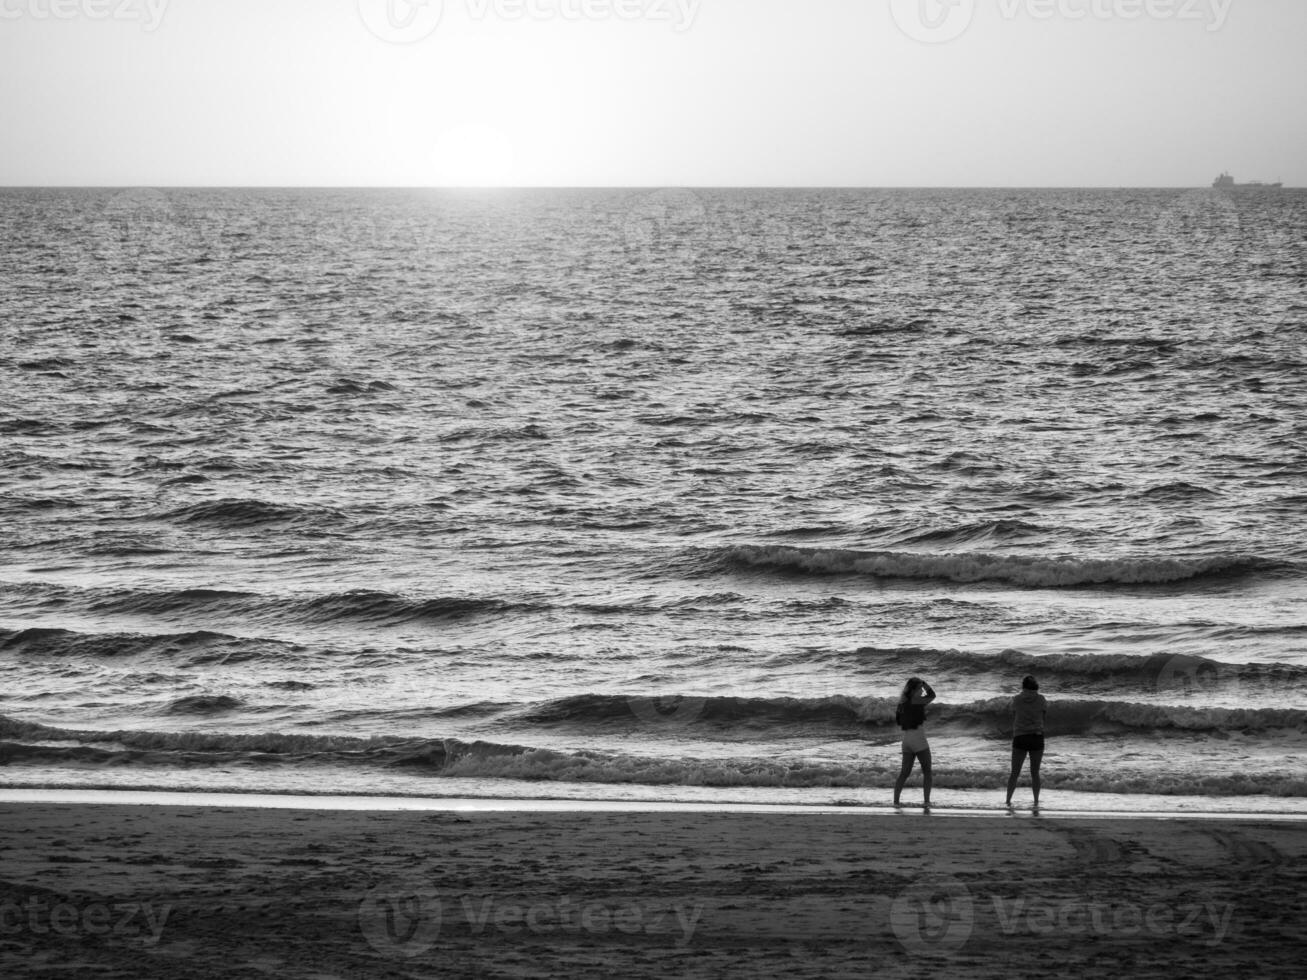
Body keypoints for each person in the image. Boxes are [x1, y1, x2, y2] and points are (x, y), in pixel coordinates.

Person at [893, 676, 936, 808]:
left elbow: (899, 722)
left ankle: (896, 802)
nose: (920, 690)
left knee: (904, 773)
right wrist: (924, 683)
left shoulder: (902, 704)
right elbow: (932, 694)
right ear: (915, 689)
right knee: (927, 772)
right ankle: (926, 801)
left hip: (906, 740)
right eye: (918, 688)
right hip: (918, 739)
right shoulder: (917, 701)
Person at [1005, 674, 1048, 809]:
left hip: (1020, 737)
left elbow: (1013, 714)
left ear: (1023, 686)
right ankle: (1035, 801)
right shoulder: (1041, 699)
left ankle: (1008, 800)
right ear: (1036, 686)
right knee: (1035, 772)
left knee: (1014, 773)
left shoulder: (1016, 699)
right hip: (1037, 737)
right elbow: (1043, 715)